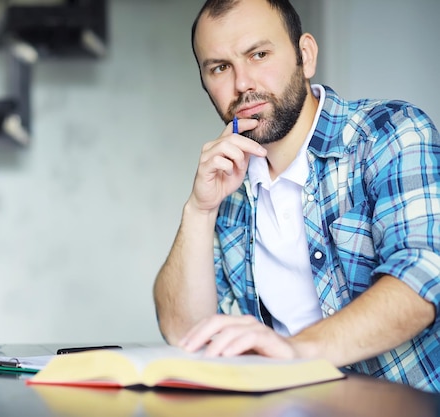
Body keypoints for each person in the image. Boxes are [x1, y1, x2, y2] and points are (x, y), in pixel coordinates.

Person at [153, 0, 440, 391]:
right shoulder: (228, 184)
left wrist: (294, 353)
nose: (242, 84)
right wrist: (200, 210)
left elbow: (423, 277)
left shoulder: (390, 134)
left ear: (305, 54)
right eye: (220, 67)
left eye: (259, 54)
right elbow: (183, 330)